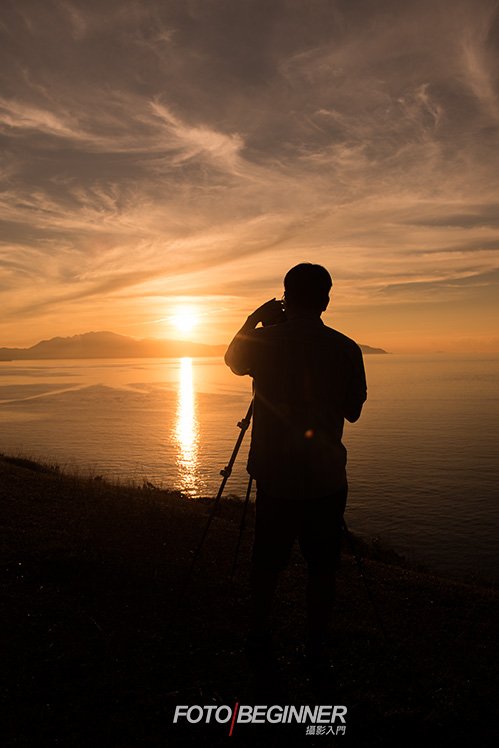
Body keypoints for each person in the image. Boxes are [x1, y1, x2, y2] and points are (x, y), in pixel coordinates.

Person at [224, 263, 367, 671]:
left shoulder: (264, 341)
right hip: (325, 477)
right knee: (322, 566)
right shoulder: (345, 348)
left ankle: (258, 631)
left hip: (275, 474)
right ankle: (317, 643)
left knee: (266, 560)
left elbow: (233, 361)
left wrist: (255, 320)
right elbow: (353, 412)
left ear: (286, 297)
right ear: (325, 299)